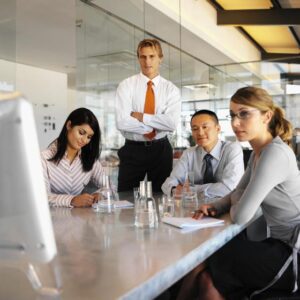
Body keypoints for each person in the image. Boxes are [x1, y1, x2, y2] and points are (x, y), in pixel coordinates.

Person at [194, 86, 300, 300]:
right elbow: (237, 192)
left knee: (207, 267)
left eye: (244, 114)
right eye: (232, 115)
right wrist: (216, 206)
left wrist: (234, 200)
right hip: (279, 245)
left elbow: (242, 215)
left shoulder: (274, 154)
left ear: (266, 116)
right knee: (204, 267)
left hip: (293, 255)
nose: (235, 123)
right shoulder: (258, 153)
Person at [116, 38, 181, 192]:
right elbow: (122, 122)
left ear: (160, 58)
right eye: (142, 57)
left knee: (162, 196)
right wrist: (154, 126)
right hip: (133, 149)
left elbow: (171, 124)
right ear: (138, 58)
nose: (147, 61)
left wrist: (141, 116)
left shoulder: (171, 90)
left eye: (152, 56)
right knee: (126, 196)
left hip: (161, 150)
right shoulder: (126, 85)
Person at [161, 109, 244, 199]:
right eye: (195, 129)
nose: (200, 133)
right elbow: (167, 184)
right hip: (194, 208)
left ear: (218, 129)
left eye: (205, 127)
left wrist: (190, 190)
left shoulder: (232, 149)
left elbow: (229, 188)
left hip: (226, 207)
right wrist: (174, 189)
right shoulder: (189, 154)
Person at [41, 107, 103, 208]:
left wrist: (100, 194)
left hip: (78, 220)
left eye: (89, 137)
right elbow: (41, 197)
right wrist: (72, 200)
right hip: (51, 220)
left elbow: (109, 186)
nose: (84, 140)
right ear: (69, 125)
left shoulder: (90, 159)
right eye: (81, 133)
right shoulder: (43, 158)